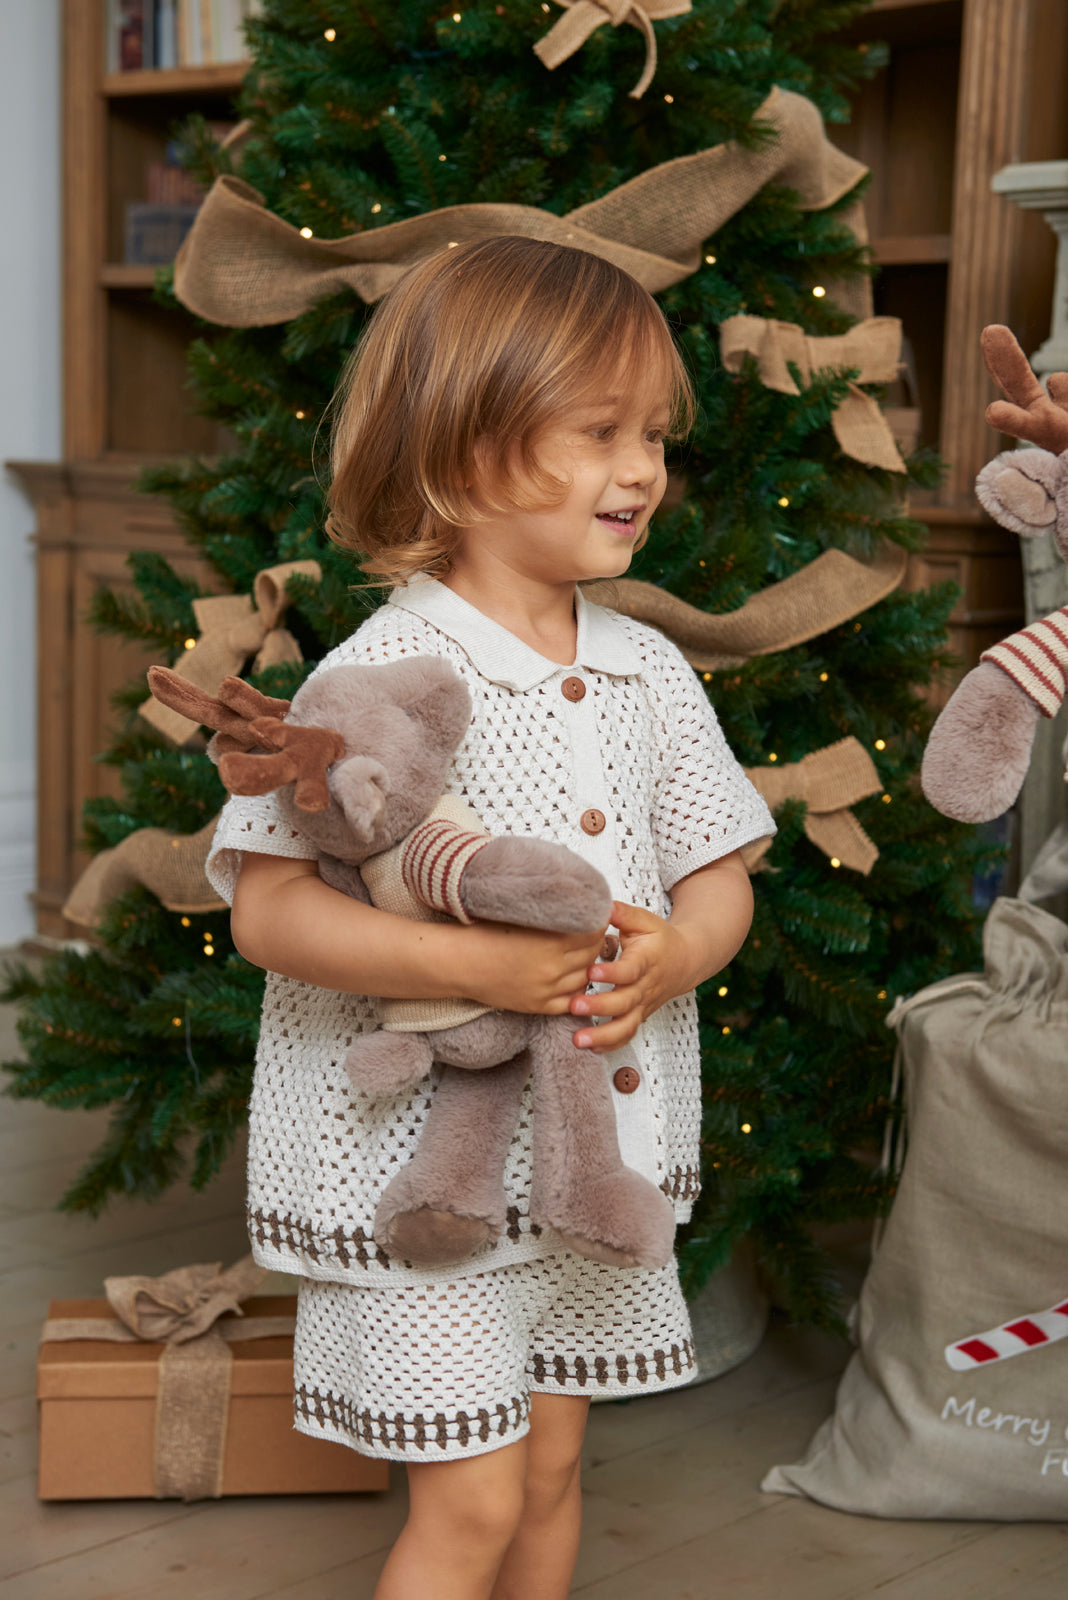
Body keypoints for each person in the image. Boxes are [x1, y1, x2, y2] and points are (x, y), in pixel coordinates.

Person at [208, 235, 774, 1600]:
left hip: (591, 1167)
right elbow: (271, 911)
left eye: (655, 436)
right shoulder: (382, 674)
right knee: (469, 1504)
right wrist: (477, 965)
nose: (643, 469)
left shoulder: (648, 671)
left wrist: (679, 955)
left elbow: (721, 870)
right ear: (466, 458)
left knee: (551, 1476)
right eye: (600, 432)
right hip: (424, 1183)